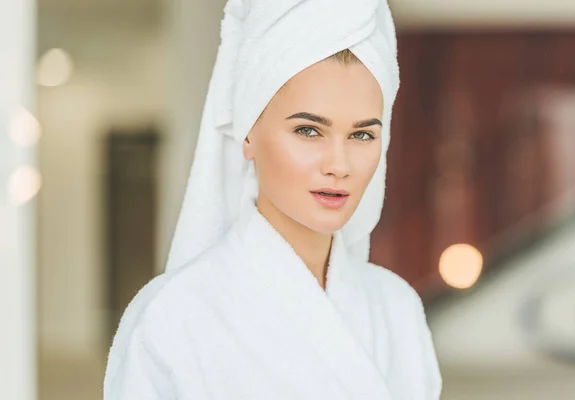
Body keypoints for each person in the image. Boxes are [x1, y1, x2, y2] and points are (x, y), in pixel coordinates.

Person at [103, 0, 442, 399]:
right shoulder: (174, 315)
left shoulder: (396, 308)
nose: (339, 165)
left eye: (362, 135)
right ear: (248, 133)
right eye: (308, 131)